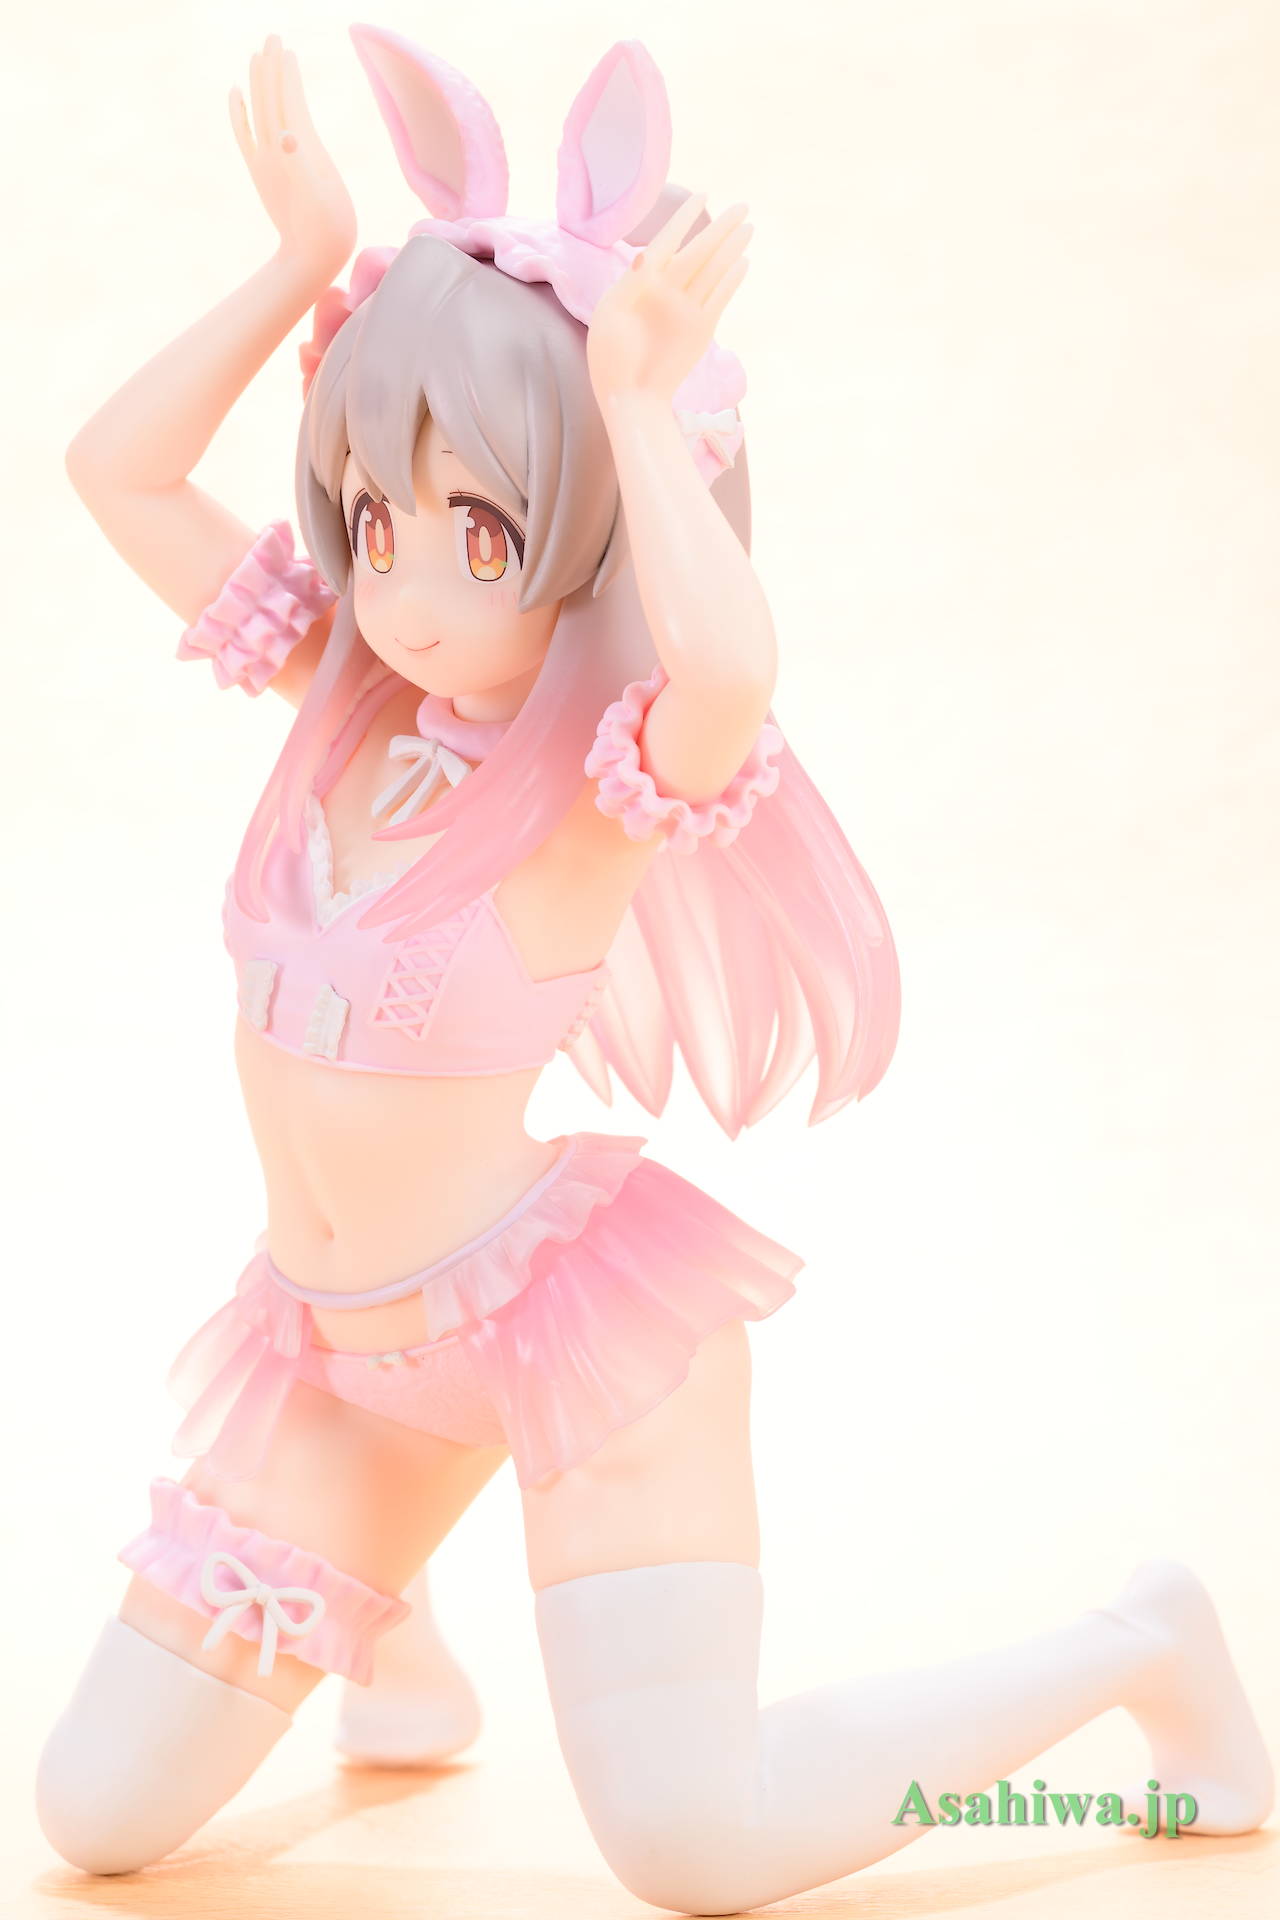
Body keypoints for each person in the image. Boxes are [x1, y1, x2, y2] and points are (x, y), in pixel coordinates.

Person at [37, 29, 1271, 1910]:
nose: (407, 594)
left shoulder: (602, 781)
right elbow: (113, 473)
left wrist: (630, 398)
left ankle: (1133, 1654)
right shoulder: (341, 695)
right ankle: (404, 1656)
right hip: (335, 1363)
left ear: (591, 538)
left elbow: (733, 674)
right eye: (374, 519)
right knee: (95, 1815)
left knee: (703, 1843)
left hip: (574, 1350)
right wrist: (298, 262)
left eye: (481, 533)